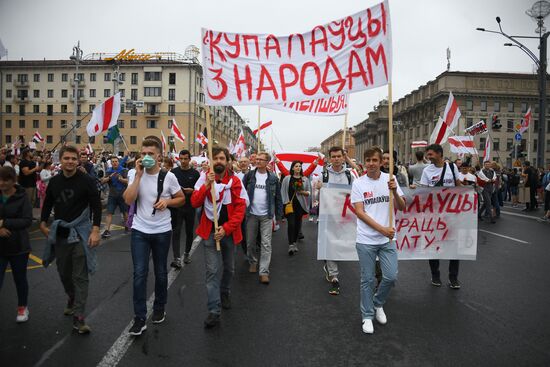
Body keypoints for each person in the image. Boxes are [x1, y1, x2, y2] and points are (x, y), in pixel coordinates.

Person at [123, 138, 185, 336]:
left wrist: (167, 201)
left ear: (159, 155)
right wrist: (138, 177)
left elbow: (181, 198)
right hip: (140, 230)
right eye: (143, 154)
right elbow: (127, 199)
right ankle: (139, 318)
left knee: (160, 272)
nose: (146, 157)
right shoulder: (134, 173)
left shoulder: (169, 177)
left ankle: (159, 306)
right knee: (139, 273)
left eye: (151, 154)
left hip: (162, 231)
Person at [40, 145, 102, 334]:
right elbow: (48, 203)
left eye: (73, 159)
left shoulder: (87, 181)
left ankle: (79, 318)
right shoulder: (55, 181)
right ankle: (71, 297)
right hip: (61, 235)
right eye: (66, 158)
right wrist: (43, 224)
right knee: (64, 273)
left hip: (81, 233)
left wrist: (95, 230)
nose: (70, 162)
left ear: (78, 160)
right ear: (60, 160)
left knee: (80, 277)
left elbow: (96, 205)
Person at [351, 147, 405, 334]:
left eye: (375, 160)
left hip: (387, 240)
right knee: (367, 279)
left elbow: (402, 206)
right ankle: (367, 315)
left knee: (390, 277)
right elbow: (359, 212)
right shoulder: (358, 183)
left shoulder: (390, 179)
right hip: (366, 239)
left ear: (382, 161)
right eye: (368, 160)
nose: (371, 163)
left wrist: (395, 192)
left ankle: (378, 303)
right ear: (364, 162)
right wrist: (382, 229)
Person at [191, 147, 247, 328]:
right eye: (215, 158)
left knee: (229, 269)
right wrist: (207, 185)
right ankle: (214, 310)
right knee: (212, 272)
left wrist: (226, 228)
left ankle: (225, 292)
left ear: (228, 161)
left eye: (222, 158)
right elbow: (194, 202)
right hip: (209, 232)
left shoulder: (235, 182)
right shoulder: (204, 178)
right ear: (211, 160)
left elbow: (240, 209)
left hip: (229, 234)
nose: (219, 161)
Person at [420, 144, 463, 289]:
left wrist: (469, 192)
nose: (428, 157)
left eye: (431, 154)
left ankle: (453, 277)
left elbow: (458, 185)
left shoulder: (452, 167)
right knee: (434, 245)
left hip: (452, 214)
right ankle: (435, 274)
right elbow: (424, 192)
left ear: (439, 154)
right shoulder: (427, 170)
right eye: (427, 154)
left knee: (454, 246)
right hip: (434, 214)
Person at [242, 152, 283, 284]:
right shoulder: (249, 176)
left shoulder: (273, 178)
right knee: (250, 242)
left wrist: (279, 215)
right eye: (257, 159)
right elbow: (241, 193)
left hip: (267, 215)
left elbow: (278, 198)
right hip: (251, 214)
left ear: (267, 162)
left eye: (261, 159)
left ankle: (264, 271)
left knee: (266, 244)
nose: (258, 161)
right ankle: (253, 261)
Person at [0, 166, 33, 323]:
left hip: (19, 245)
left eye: (5, 180)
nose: (1, 183)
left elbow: (27, 220)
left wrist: (5, 222)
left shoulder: (22, 196)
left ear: (13, 180)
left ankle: (22, 307)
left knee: (19, 279)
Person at [319, 146, 354, 295]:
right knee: (330, 242)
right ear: (329, 158)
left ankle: (328, 263)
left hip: (344, 215)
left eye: (339, 156)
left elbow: (354, 191)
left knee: (342, 242)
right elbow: (317, 196)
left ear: (343, 157)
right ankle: (334, 276)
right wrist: (319, 188)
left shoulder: (349, 174)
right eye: (333, 157)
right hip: (327, 214)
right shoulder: (324, 175)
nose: (336, 159)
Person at [170, 150, 200, 268]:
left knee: (189, 232)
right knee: (176, 232)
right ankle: (177, 258)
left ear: (189, 159)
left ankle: (187, 253)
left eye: (185, 159)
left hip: (190, 207)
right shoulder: (173, 172)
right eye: (181, 159)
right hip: (177, 208)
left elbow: (199, 191)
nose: (182, 161)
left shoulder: (196, 173)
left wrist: (192, 191)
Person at [281, 161, 311, 256]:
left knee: (298, 225)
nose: (298, 168)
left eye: (300, 166)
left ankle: (294, 242)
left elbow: (309, 192)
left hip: (300, 206)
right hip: (289, 205)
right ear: (292, 168)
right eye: (296, 166)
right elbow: (283, 191)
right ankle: (291, 244)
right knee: (291, 224)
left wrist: (301, 192)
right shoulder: (287, 178)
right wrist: (284, 203)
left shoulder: (305, 179)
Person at [100, 156, 129, 238]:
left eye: (116, 161)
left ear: (118, 162)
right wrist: (109, 177)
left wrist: (121, 179)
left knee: (125, 212)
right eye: (113, 161)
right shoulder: (109, 171)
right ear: (111, 163)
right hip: (112, 195)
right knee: (109, 213)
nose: (114, 163)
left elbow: (128, 181)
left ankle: (127, 227)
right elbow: (102, 181)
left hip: (123, 194)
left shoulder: (123, 170)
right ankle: (107, 230)